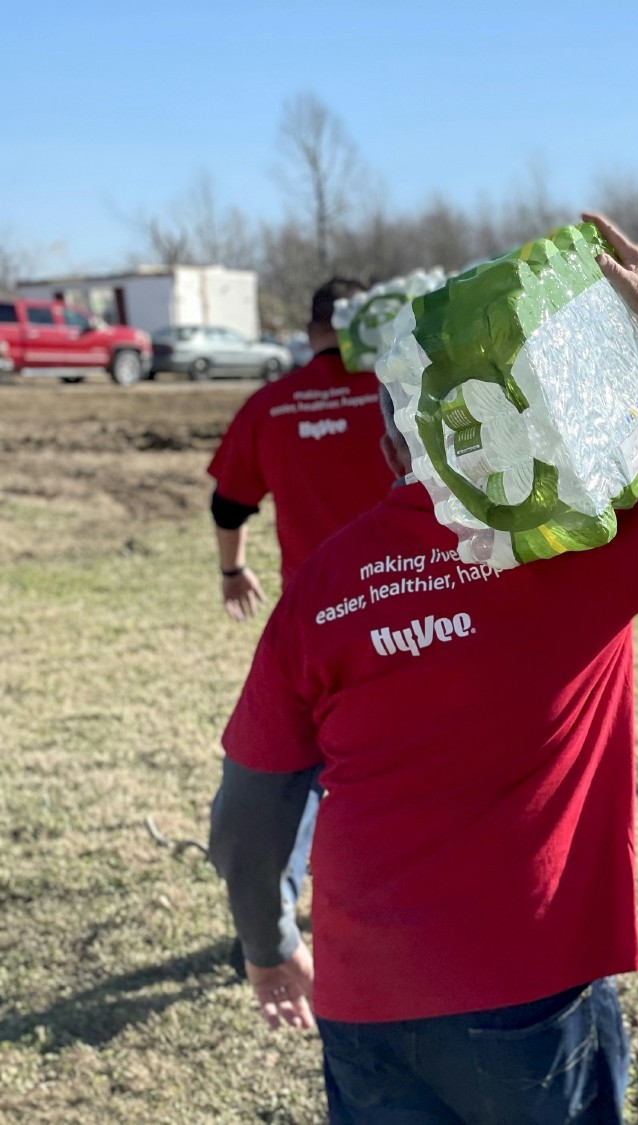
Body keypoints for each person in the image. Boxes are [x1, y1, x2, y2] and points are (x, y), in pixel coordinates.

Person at [208, 212, 638, 1124]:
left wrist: (267, 945)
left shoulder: (322, 587)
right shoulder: (585, 537)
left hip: (362, 996)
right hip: (527, 994)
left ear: (389, 447)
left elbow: (250, 809)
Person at [206, 277, 389, 975]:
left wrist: (232, 571)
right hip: (414, 610)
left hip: (314, 621)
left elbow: (229, 502)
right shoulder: (405, 393)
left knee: (296, 769)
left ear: (313, 329)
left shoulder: (272, 402)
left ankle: (271, 913)